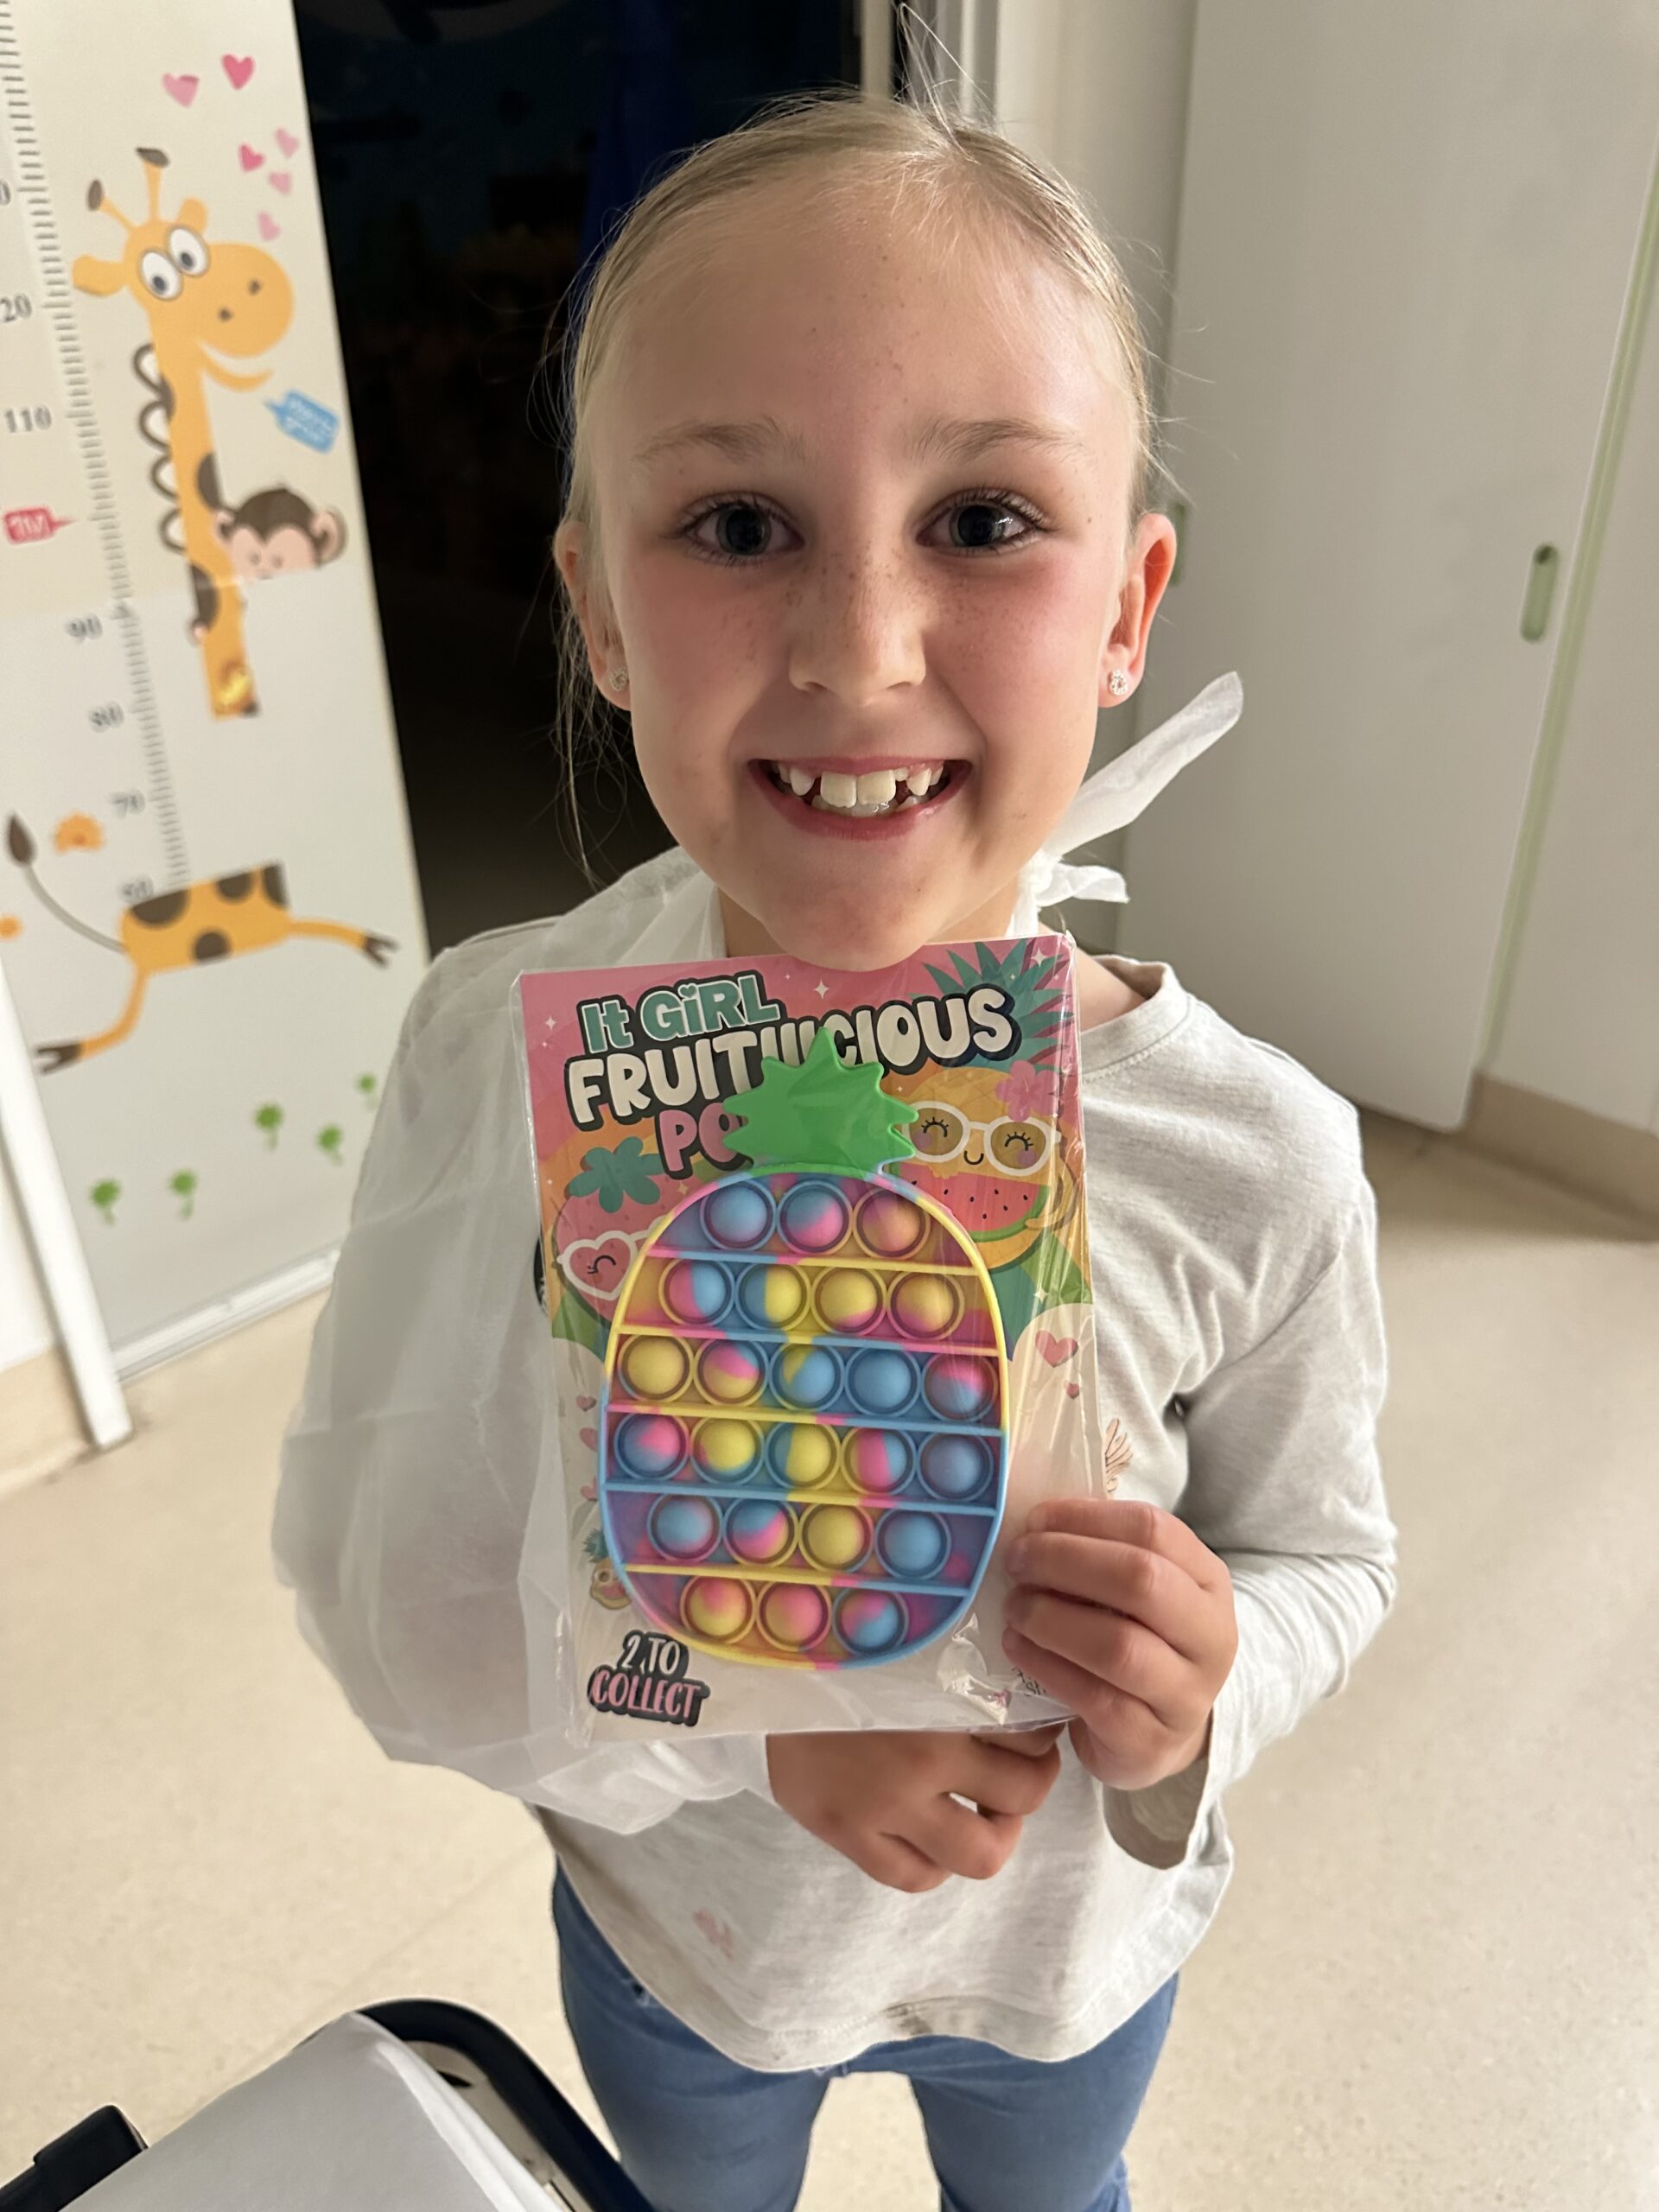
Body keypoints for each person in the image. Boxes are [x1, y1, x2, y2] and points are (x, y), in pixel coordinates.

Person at [273, 83, 1396, 2212]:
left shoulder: (1254, 1155)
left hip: (1062, 1958)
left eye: (983, 521)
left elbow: (1334, 1552)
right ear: (599, 612)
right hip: (691, 1944)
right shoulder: (496, 1068)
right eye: (734, 525)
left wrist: (1213, 1675)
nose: (860, 649)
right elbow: (401, 1580)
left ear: (1132, 600)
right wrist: (744, 1718)